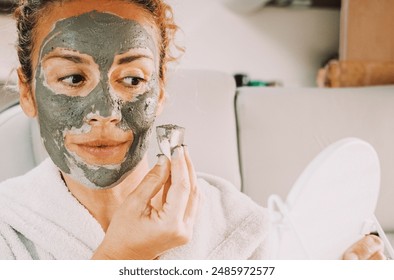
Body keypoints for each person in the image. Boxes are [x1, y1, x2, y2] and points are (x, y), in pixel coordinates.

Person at [0, 0, 385, 260]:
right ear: (28, 92)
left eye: (133, 80)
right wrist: (122, 257)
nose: (105, 112)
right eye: (71, 77)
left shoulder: (235, 220)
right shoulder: (8, 229)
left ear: (161, 90)